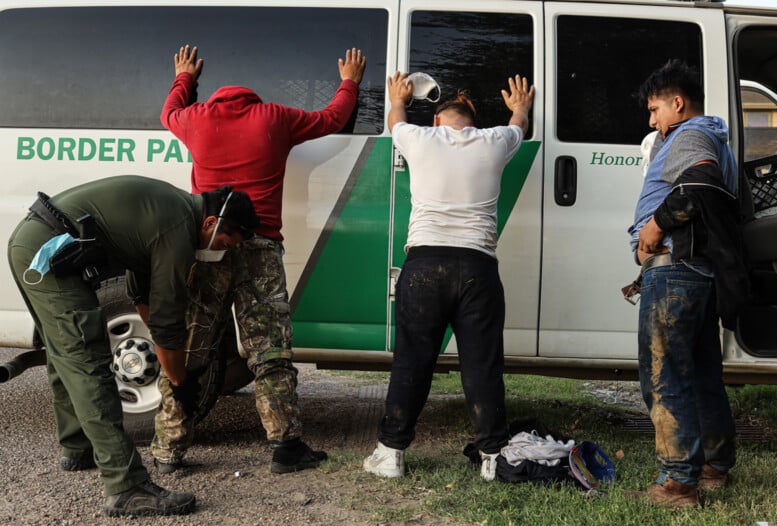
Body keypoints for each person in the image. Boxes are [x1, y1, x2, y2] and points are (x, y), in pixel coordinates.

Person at [157, 44, 367, 474]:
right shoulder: (274, 117)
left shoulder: (194, 118)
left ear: (214, 98)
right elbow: (333, 118)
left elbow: (168, 113)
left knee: (192, 347)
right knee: (269, 351)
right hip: (260, 247)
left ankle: (168, 450)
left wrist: (184, 78)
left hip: (211, 245)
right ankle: (285, 447)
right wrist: (349, 81)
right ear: (252, 98)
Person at [7, 175, 258, 516]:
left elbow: (143, 297)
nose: (219, 251)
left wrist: (168, 354)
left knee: (62, 350)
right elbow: (169, 325)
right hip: (47, 252)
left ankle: (77, 446)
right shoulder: (178, 232)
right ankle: (126, 486)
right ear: (211, 223)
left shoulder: (173, 209)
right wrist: (180, 382)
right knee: (88, 360)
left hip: (35, 240)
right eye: (224, 244)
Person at [363, 72, 534, 481]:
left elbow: (395, 122)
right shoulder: (494, 142)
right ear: (472, 123)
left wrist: (399, 97)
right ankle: (493, 456)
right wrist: (521, 106)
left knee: (412, 361)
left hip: (425, 265)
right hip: (477, 268)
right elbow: (519, 127)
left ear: (438, 122)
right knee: (481, 365)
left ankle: (391, 453)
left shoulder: (420, 139)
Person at [627, 59, 745, 507]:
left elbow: (698, 187)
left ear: (678, 104)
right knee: (700, 375)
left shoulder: (690, 135)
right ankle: (714, 466)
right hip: (698, 273)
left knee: (664, 376)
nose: (652, 119)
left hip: (677, 270)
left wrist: (654, 227)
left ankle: (678, 483)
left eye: (655, 109)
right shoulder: (712, 137)